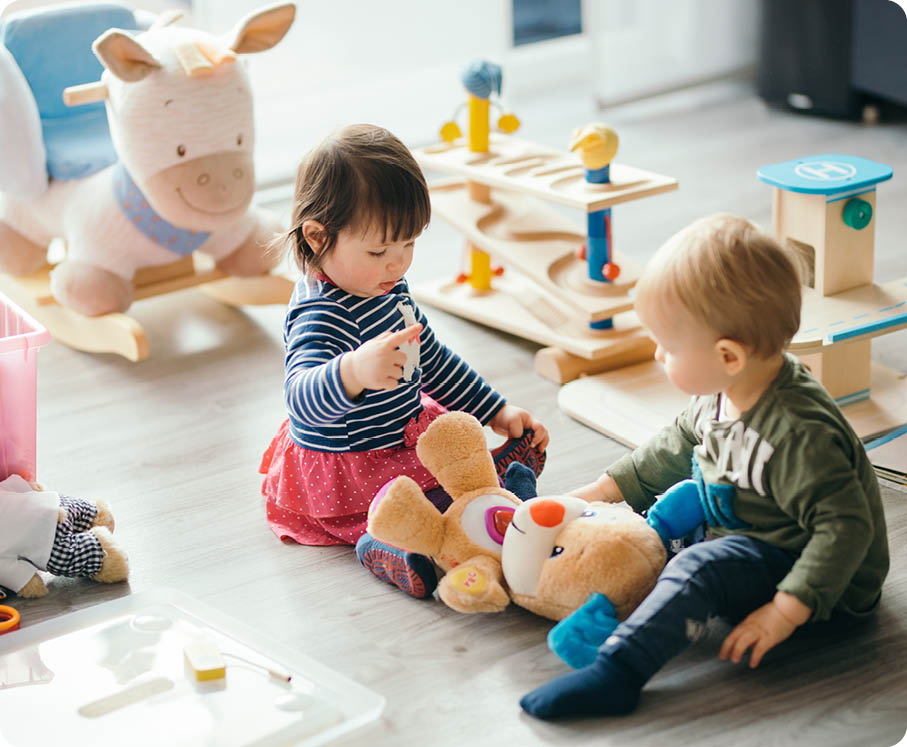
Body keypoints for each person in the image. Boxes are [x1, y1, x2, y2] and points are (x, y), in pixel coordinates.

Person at [520, 213, 889, 719]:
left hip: (824, 582)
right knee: (650, 536)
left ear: (728, 355)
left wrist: (786, 611)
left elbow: (846, 529)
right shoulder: (724, 391)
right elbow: (673, 444)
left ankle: (619, 671)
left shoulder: (800, 434)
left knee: (697, 566)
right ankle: (606, 605)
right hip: (749, 530)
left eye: (668, 347)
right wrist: (597, 494)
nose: (656, 353)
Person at [260, 124, 548, 599]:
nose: (398, 265)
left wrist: (496, 410)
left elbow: (431, 359)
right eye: (379, 251)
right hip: (351, 464)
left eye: (409, 245)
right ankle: (387, 548)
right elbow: (300, 400)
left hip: (401, 433)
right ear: (316, 237)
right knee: (406, 509)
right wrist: (353, 372)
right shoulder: (321, 313)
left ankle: (495, 487)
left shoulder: (386, 286)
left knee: (453, 456)